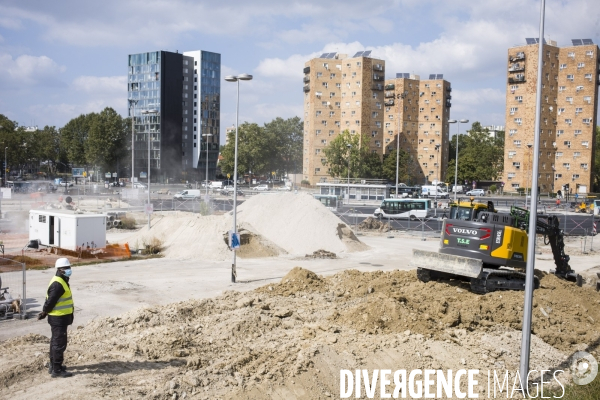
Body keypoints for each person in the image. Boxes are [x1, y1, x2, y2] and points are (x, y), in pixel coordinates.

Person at [37, 258, 74, 378]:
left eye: (69, 267)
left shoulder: (60, 280)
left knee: (55, 342)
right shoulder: (58, 283)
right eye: (66, 268)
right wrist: (44, 312)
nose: (69, 270)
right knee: (59, 344)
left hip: (59, 318)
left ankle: (54, 366)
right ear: (60, 270)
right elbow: (51, 301)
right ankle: (57, 370)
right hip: (59, 318)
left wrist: (45, 312)